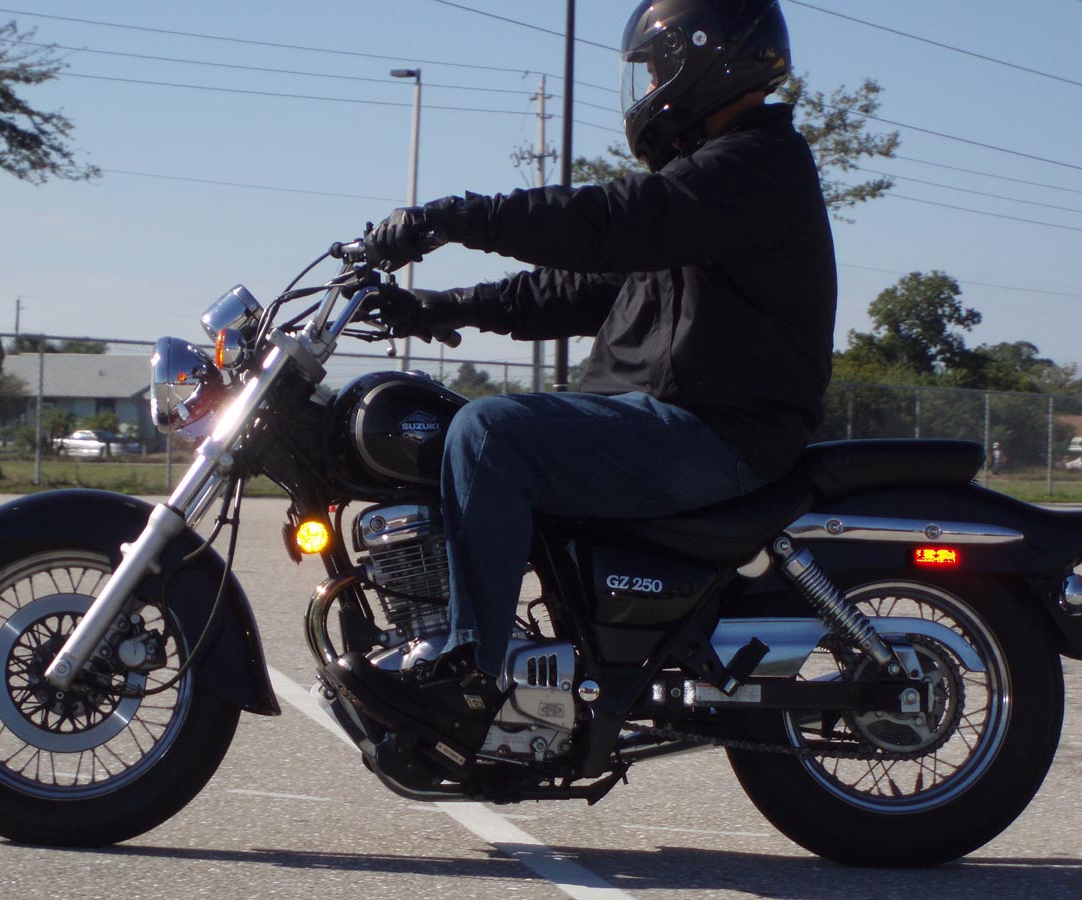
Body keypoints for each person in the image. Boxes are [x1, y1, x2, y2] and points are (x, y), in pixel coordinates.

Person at [330, 0, 837, 765]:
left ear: (710, 59)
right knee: (479, 429)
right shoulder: (704, 188)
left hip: (717, 432)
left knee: (491, 434)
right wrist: (439, 307)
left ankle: (472, 677)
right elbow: (571, 291)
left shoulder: (753, 166)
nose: (652, 86)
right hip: (671, 420)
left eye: (660, 67)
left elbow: (607, 223)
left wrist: (457, 218)